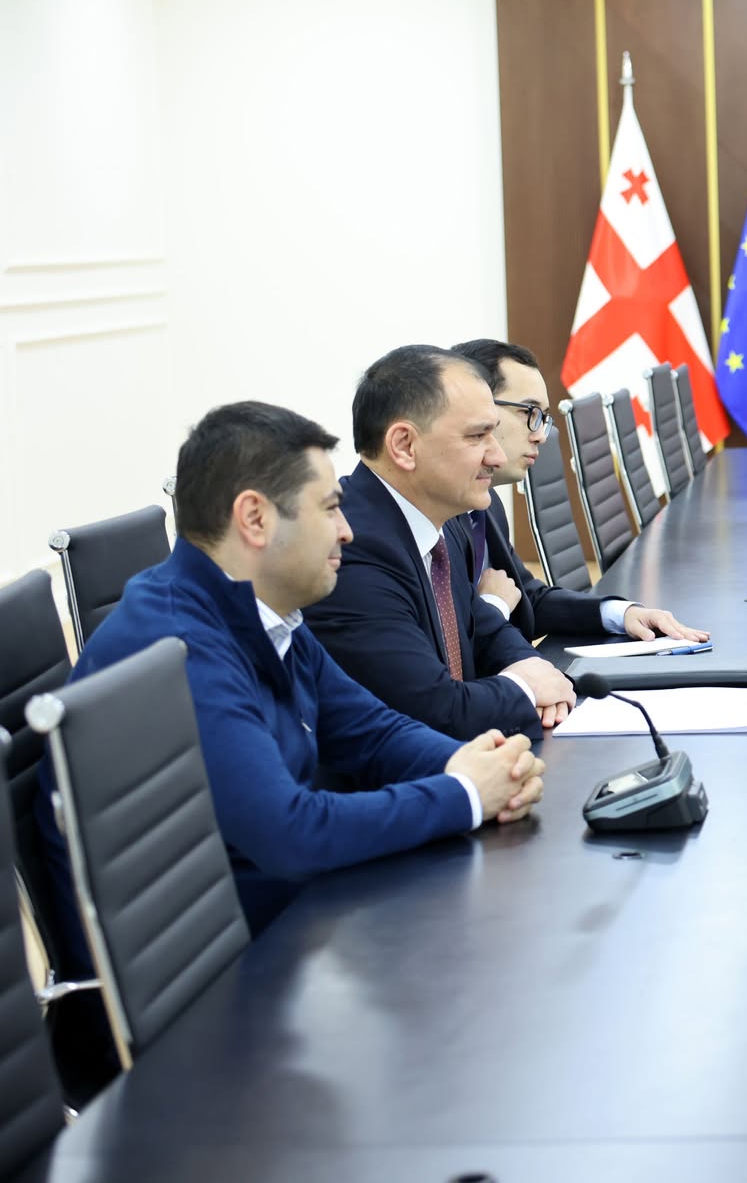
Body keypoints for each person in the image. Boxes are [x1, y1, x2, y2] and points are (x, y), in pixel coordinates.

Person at [42, 402, 546, 934]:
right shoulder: (179, 645)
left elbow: (370, 731)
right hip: (224, 960)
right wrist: (465, 794)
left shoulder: (260, 609)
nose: (346, 531)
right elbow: (289, 832)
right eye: (329, 509)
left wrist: (474, 765)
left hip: (284, 917)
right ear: (255, 519)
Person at [305, 345, 575, 739]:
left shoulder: (445, 521)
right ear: (404, 446)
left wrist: (538, 672)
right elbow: (435, 711)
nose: (497, 456)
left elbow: (484, 628)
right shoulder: (352, 550)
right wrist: (526, 688)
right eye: (478, 436)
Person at [450, 338, 705, 643]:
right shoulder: (437, 518)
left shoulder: (485, 505)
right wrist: (496, 606)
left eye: (543, 418)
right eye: (530, 412)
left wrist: (621, 613)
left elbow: (526, 599)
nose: (541, 436)